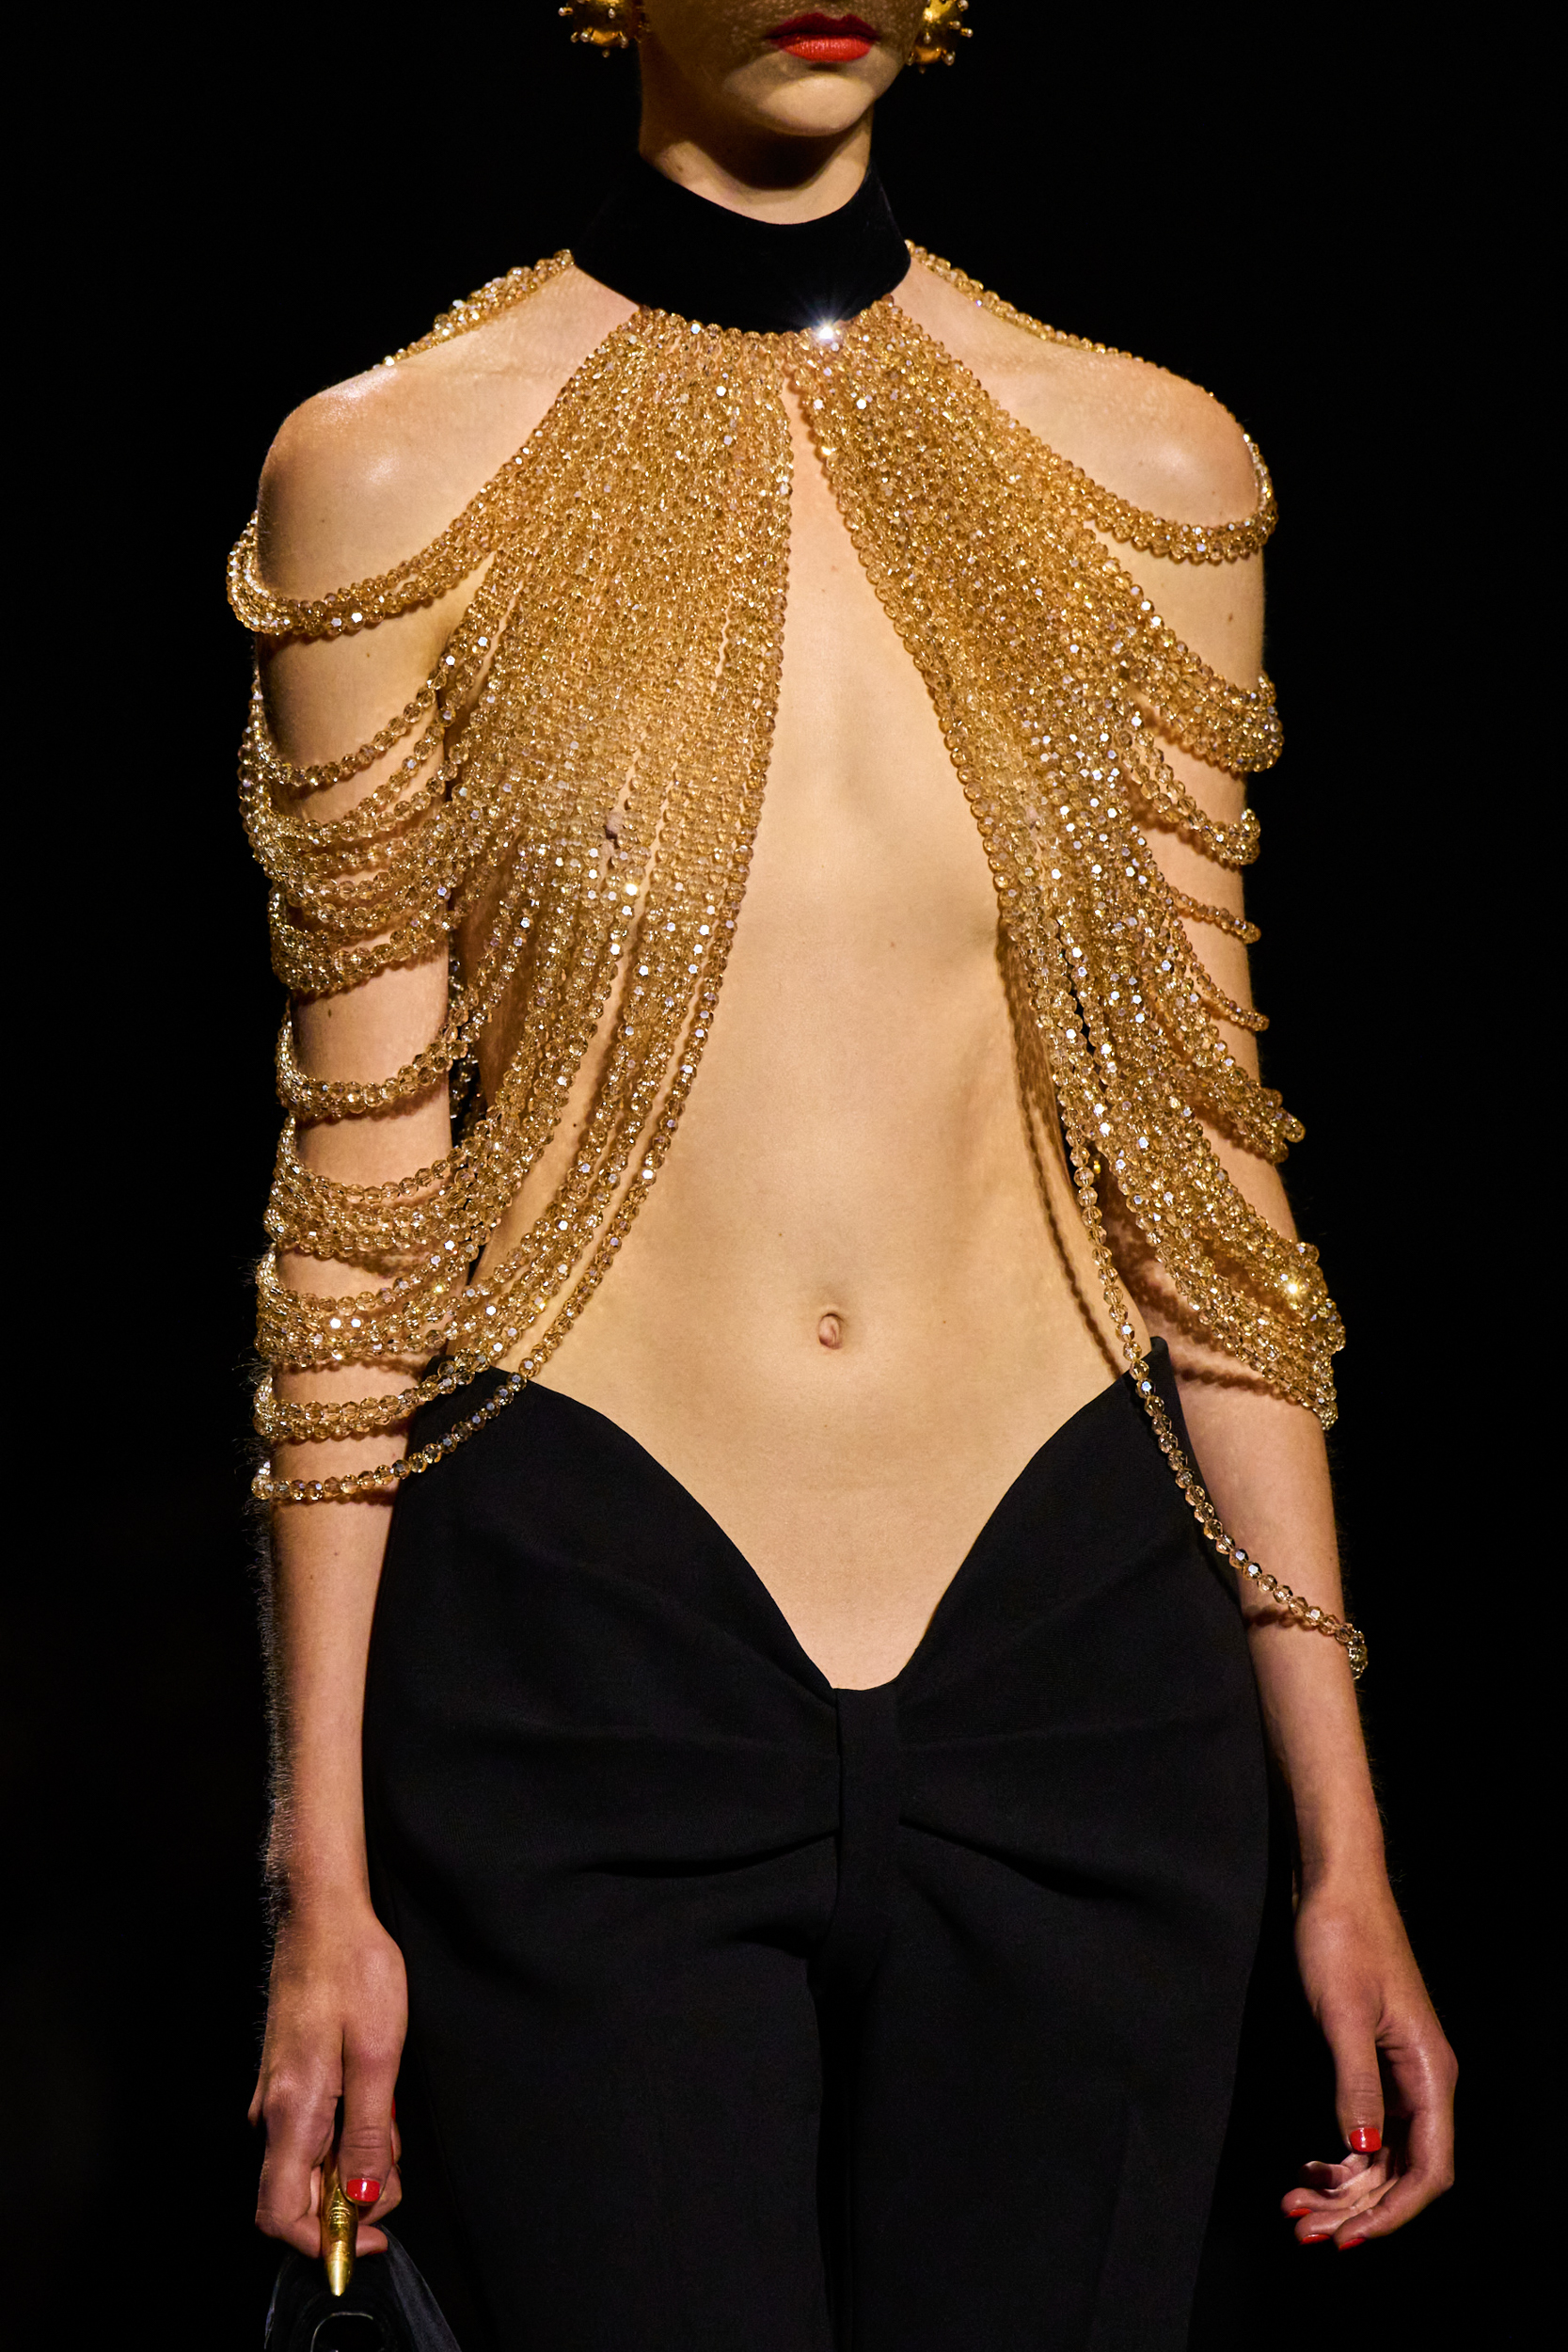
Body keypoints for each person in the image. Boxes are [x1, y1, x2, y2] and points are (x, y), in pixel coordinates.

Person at [239, 5, 1455, 2344]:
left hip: (1082, 1657)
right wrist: (322, 1874)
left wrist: (1348, 1840)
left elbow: (1209, 1176)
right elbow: (357, 1202)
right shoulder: (388, 471)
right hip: (593, 1651)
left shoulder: (1146, 461)